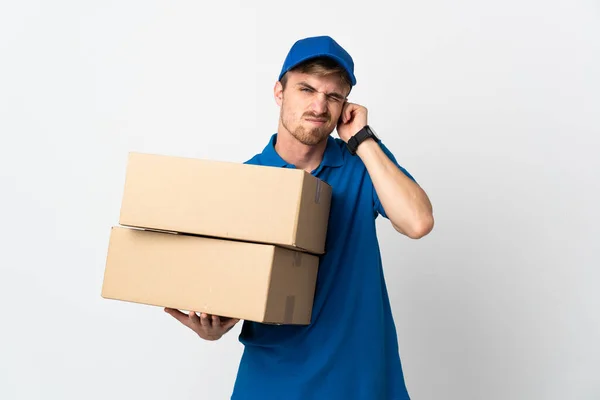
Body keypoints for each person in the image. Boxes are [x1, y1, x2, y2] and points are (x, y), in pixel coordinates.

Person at [165, 35, 434, 399]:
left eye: (333, 96)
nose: (319, 106)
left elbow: (417, 222)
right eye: (306, 89)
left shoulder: (362, 165)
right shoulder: (245, 181)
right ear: (279, 92)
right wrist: (214, 325)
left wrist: (364, 139)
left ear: (345, 107)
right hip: (273, 382)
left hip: (360, 382)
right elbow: (230, 285)